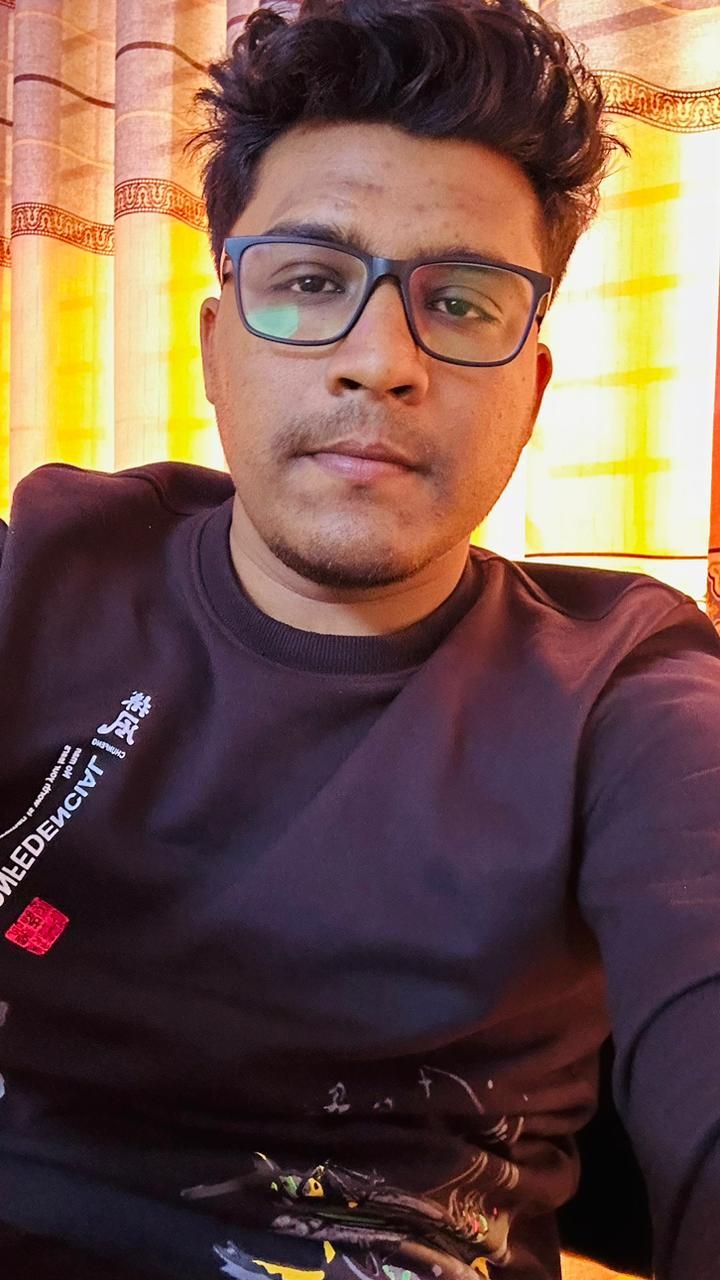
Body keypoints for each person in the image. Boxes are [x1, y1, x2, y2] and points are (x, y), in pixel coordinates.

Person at [0, 1, 718, 1277]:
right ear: (217, 346)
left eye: (463, 300)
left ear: (531, 391)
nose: (381, 361)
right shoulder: (46, 575)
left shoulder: (625, 683)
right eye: (311, 281)